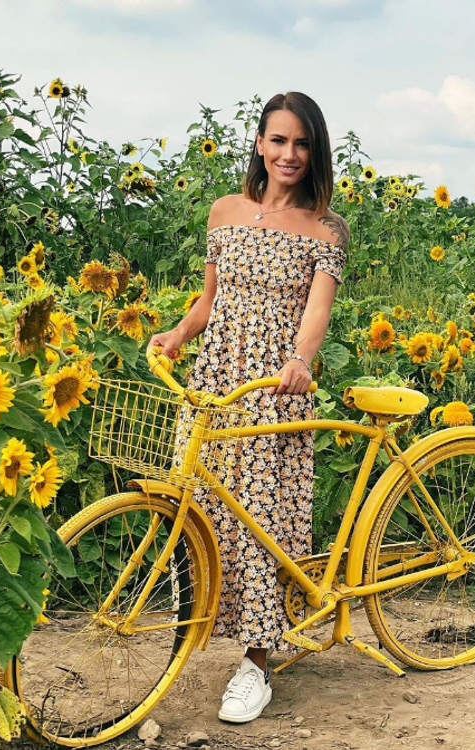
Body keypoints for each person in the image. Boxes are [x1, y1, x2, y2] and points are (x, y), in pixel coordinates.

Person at [149, 92, 348, 725]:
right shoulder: (225, 211)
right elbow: (210, 300)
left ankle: (258, 663)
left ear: (314, 151)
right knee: (203, 506)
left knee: (261, 518)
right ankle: (216, 624)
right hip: (214, 381)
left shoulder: (326, 227)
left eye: (302, 143)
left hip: (270, 387)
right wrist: (178, 335)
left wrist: (300, 361)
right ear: (259, 143)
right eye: (278, 140)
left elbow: (317, 311)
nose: (289, 154)